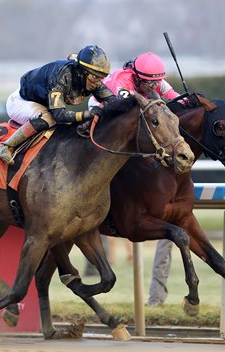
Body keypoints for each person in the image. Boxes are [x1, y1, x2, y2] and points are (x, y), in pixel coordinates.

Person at [87, 52, 179, 302]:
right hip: (106, 109)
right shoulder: (123, 83)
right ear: (137, 77)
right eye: (148, 82)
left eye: (156, 82)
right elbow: (124, 111)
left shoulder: (155, 81)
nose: (153, 86)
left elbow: (176, 101)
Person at [0, 45, 116, 165]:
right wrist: (89, 113)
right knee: (48, 119)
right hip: (20, 101)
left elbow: (113, 101)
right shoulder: (61, 76)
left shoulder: (89, 78)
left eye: (101, 77)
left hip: (42, 103)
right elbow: (59, 115)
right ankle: (5, 146)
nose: (97, 82)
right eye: (94, 77)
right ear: (82, 72)